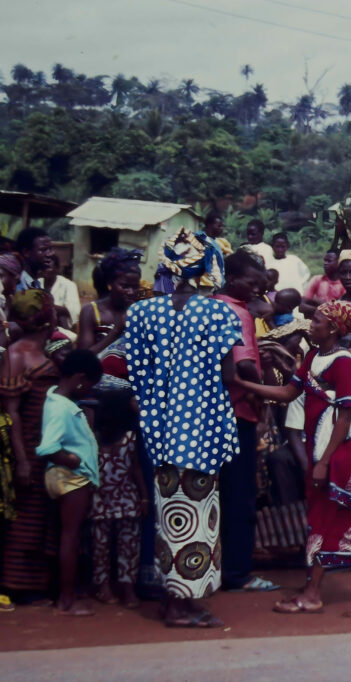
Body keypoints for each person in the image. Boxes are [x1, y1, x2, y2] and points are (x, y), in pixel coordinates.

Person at [233, 300, 351, 610]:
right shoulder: (313, 357)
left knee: (325, 513)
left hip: (340, 450)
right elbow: (287, 394)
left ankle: (312, 593)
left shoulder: (343, 364)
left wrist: (324, 461)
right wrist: (242, 384)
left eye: (319, 320)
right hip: (326, 446)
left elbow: (347, 414)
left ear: (334, 329)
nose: (311, 323)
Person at [125, 238, 242, 628]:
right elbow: (227, 376)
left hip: (159, 432)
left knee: (170, 518)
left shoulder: (141, 313)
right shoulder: (218, 315)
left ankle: (178, 599)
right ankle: (178, 606)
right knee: (197, 519)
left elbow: (137, 377)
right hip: (201, 432)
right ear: (206, 268)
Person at [211, 251, 280, 593]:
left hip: (213, 412)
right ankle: (237, 573)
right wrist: (267, 395)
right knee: (240, 496)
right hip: (239, 412)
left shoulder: (210, 305)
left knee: (216, 494)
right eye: (252, 283)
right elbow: (245, 366)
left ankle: (214, 567)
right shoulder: (236, 312)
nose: (256, 290)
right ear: (233, 277)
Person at [0, 290, 61, 603]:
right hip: (27, 444)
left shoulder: (45, 349)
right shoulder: (16, 354)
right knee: (26, 517)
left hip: (46, 444)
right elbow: (11, 411)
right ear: (46, 317)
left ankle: (37, 584)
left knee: (43, 516)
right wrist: (21, 460)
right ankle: (18, 585)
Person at [36, 349, 103, 615]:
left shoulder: (60, 402)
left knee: (68, 536)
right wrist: (71, 459)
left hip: (70, 477)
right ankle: (67, 599)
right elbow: (48, 447)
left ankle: (67, 594)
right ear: (79, 378)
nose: (87, 390)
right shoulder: (61, 407)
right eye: (88, 384)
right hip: (70, 478)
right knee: (70, 538)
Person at [89, 385, 146, 610]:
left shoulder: (129, 437)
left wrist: (143, 499)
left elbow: (136, 469)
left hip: (123, 498)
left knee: (126, 544)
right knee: (102, 546)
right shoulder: (93, 438)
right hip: (103, 498)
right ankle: (104, 586)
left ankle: (126, 586)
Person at [77, 249, 141, 356]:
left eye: (135, 287)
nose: (131, 292)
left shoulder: (139, 311)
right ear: (110, 282)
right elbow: (83, 358)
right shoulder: (91, 311)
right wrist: (116, 331)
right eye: (124, 286)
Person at [300, 250, 346, 317]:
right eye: (325, 260)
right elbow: (302, 307)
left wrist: (317, 301)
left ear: (339, 262)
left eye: (329, 261)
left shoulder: (344, 285)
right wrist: (326, 310)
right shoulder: (317, 279)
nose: (325, 263)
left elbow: (340, 313)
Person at [41, 255, 81, 329]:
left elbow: (72, 311)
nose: (45, 271)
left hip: (62, 326)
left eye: (48, 267)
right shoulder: (36, 283)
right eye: (43, 268)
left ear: (57, 269)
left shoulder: (68, 285)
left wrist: (47, 307)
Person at [15, 227, 54, 293]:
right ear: (26, 252)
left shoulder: (36, 283)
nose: (50, 254)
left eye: (50, 249)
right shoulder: (17, 286)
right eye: (43, 249)